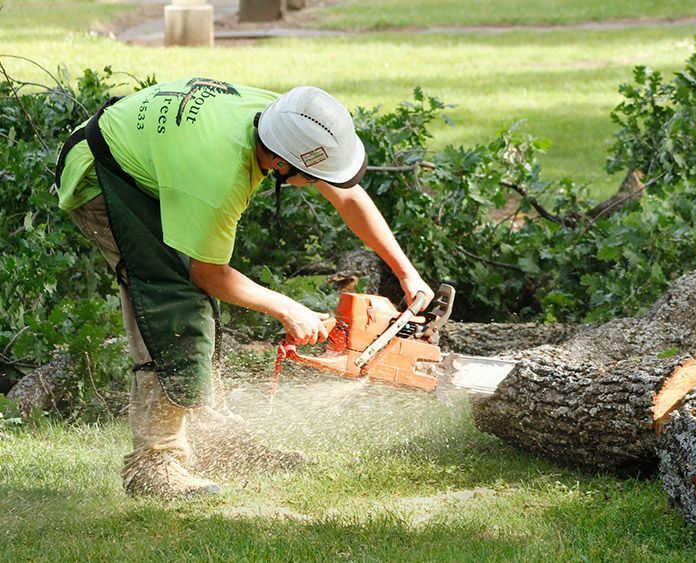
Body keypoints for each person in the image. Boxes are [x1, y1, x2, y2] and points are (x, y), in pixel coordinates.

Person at [54, 77, 433, 499]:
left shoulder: (284, 119)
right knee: (171, 304)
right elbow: (208, 275)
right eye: (310, 178)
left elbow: (346, 195)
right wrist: (287, 307)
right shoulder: (218, 174)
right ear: (281, 163)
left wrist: (405, 272)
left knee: (192, 305)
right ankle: (155, 463)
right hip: (103, 174)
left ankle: (216, 441)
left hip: (153, 157)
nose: (314, 183)